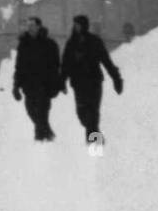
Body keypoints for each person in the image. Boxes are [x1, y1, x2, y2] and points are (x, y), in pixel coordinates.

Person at [59, 14, 122, 142]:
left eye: (78, 24)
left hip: (94, 83)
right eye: (75, 25)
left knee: (92, 116)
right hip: (78, 85)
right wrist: (62, 82)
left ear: (84, 26)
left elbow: (106, 61)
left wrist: (116, 78)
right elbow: (65, 65)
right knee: (82, 115)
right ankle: (95, 139)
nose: (76, 27)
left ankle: (95, 147)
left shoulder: (95, 41)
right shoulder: (71, 44)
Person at [12, 17, 60, 141]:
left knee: (42, 114)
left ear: (39, 26)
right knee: (31, 111)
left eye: (32, 25)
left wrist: (56, 84)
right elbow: (19, 67)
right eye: (28, 25)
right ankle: (48, 136)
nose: (30, 28)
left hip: (44, 86)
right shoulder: (23, 44)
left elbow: (55, 66)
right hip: (29, 87)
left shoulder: (49, 44)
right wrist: (16, 86)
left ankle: (41, 141)